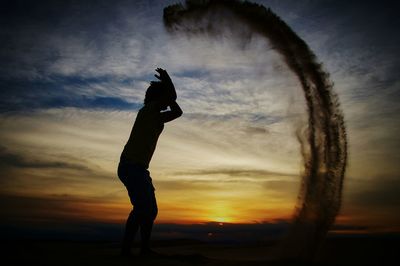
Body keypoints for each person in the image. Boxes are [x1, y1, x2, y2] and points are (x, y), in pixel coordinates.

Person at [117, 68, 183, 257]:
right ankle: (127, 251)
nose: (167, 102)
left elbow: (178, 112)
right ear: (158, 98)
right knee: (142, 208)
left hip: (138, 168)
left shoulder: (157, 117)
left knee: (149, 210)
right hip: (131, 166)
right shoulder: (148, 110)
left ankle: (142, 249)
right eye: (164, 98)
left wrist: (167, 91)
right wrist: (167, 81)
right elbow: (173, 97)